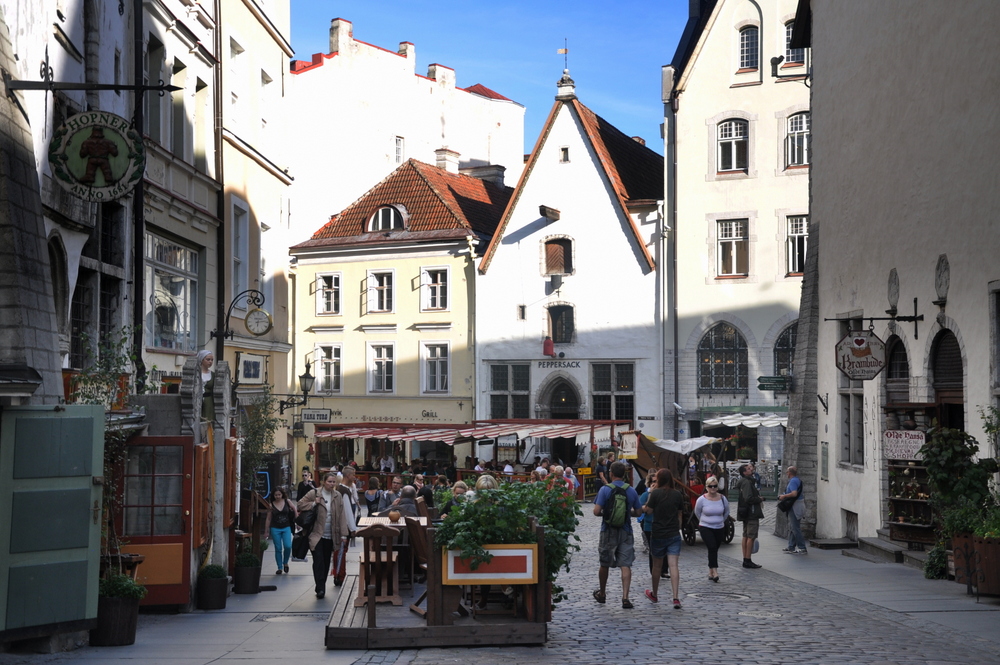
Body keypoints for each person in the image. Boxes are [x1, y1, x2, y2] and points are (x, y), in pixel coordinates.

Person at [593, 461, 643, 609]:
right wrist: (626, 513)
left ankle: (602, 593)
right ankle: (625, 597)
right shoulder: (631, 490)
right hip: (626, 530)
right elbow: (638, 512)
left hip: (608, 530)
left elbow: (596, 511)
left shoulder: (605, 490)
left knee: (605, 563)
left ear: (611, 473)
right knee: (625, 564)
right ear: (624, 474)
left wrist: (608, 513)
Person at [298, 473, 352, 599]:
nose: (332, 484)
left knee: (326, 560)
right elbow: (300, 504)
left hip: (331, 535)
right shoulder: (315, 493)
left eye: (333, 482)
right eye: (329, 481)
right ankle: (320, 588)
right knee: (318, 561)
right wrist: (313, 503)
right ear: (323, 482)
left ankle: (321, 584)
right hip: (316, 534)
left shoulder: (337, 496)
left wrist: (344, 534)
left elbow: (342, 515)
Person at [643, 469, 685, 608]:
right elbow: (680, 514)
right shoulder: (677, 494)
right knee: (673, 566)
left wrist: (644, 504)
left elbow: (649, 510)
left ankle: (654, 594)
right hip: (673, 533)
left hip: (658, 533)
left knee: (657, 566)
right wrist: (678, 527)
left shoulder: (656, 493)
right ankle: (676, 597)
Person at [694, 475, 729, 583]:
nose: (713, 488)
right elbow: (697, 512)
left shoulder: (722, 498)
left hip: (719, 527)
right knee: (712, 547)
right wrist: (704, 521)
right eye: (710, 486)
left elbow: (726, 512)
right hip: (706, 527)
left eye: (715, 486)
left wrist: (721, 520)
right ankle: (715, 572)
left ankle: (710, 570)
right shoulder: (701, 499)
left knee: (714, 549)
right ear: (706, 487)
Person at [736, 463, 764, 568]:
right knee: (750, 536)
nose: (751, 469)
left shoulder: (746, 481)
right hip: (751, 512)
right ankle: (747, 559)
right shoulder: (747, 482)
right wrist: (759, 499)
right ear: (744, 472)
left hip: (746, 511)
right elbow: (748, 498)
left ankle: (746, 559)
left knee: (746, 535)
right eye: (748, 469)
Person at [264, 487, 298, 575]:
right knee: (278, 548)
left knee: (288, 546)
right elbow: (268, 518)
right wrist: (266, 531)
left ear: (282, 494)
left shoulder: (287, 501)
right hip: (275, 528)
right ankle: (279, 567)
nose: (278, 496)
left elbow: (295, 510)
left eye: (279, 494)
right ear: (273, 495)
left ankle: (285, 562)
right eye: (276, 495)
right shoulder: (271, 505)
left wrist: (297, 522)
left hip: (286, 527)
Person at [779, 466, 808, 554]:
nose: (786, 473)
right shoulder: (796, 480)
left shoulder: (793, 481)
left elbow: (794, 493)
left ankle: (802, 547)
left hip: (795, 506)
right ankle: (791, 546)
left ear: (790, 473)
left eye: (787, 472)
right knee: (793, 527)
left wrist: (784, 496)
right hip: (798, 505)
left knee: (795, 528)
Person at [196, 350, 216, 423]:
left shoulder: (213, 375)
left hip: (208, 402)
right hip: (197, 400)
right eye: (208, 359)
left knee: (208, 420)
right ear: (202, 360)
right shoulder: (196, 373)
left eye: (212, 360)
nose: (210, 362)